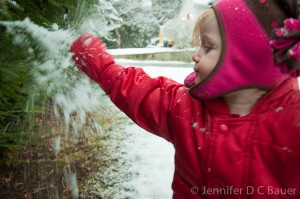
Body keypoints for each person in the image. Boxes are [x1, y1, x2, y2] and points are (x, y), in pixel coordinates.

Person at [70, 0, 300, 198]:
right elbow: (138, 92)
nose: (195, 54)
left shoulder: (293, 124)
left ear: (247, 61)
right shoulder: (186, 108)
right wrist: (98, 62)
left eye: (208, 47)